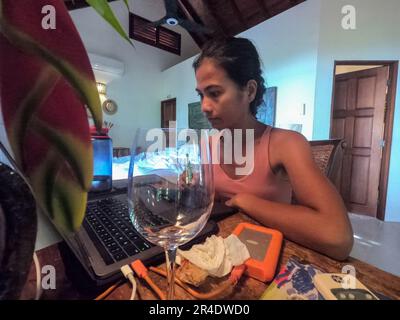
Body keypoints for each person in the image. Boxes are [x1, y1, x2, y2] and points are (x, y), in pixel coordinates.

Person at [193, 37, 353, 261]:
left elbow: (338, 238)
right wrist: (194, 187)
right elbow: (210, 204)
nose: (204, 107)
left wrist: (246, 201)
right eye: (201, 95)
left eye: (215, 93)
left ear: (249, 91)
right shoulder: (206, 145)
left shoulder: (286, 144)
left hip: (271, 258)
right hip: (218, 255)